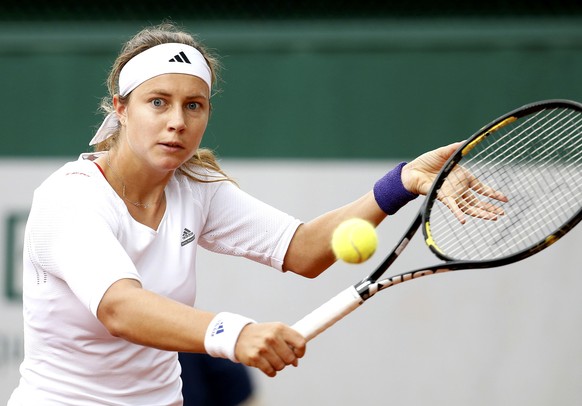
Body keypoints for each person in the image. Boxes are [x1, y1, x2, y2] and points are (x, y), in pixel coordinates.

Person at [7, 21, 505, 406]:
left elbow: (304, 249)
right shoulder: (69, 200)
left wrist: (401, 184)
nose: (178, 122)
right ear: (120, 107)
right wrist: (233, 333)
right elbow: (119, 308)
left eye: (194, 105)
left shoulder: (195, 189)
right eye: (158, 103)